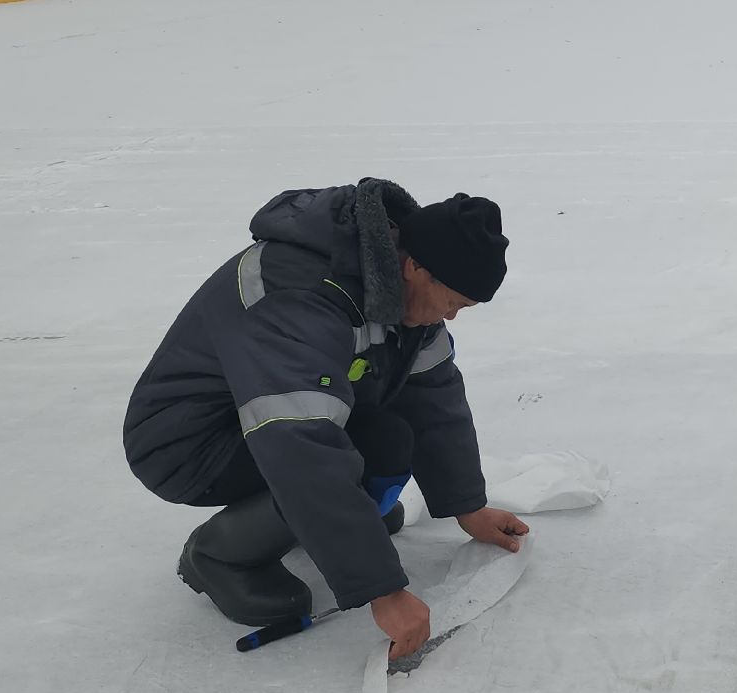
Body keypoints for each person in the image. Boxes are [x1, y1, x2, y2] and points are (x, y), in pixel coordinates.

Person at [123, 179, 529, 659]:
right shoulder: (299, 298)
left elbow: (434, 400)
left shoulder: (398, 290)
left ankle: (325, 524)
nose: (453, 317)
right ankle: (218, 555)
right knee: (345, 465)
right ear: (416, 267)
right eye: (455, 302)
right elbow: (301, 449)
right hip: (187, 444)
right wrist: (383, 589)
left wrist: (468, 506)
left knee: (387, 443)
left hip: (260, 424)